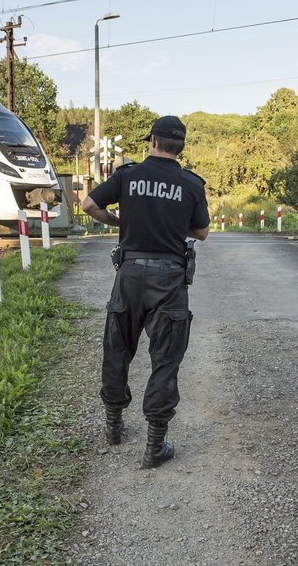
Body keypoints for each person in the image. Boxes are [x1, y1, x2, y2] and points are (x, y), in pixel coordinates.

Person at [81, 115, 210, 469]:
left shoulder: (128, 175)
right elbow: (201, 232)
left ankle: (113, 426)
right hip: (169, 280)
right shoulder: (191, 184)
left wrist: (121, 221)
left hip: (130, 274)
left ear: (152, 141)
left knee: (118, 349)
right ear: (180, 146)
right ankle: (155, 444)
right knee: (165, 358)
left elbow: (89, 206)